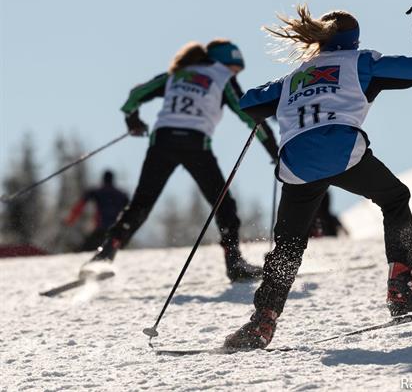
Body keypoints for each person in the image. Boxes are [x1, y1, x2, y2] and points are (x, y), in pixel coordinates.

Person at [224, 3, 412, 349]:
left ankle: (263, 320)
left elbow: (249, 103)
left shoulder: (294, 77)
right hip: (342, 150)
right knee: (394, 198)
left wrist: (285, 91)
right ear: (354, 41)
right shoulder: (363, 63)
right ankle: (402, 289)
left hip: (296, 161)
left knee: (289, 243)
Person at [81, 39, 279, 282]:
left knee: (141, 204)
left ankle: (105, 253)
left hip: (162, 141)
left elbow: (135, 95)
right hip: (196, 144)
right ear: (226, 63)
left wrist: (132, 119)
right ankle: (234, 262)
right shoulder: (223, 77)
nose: (235, 74)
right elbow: (250, 117)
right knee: (223, 204)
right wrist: (274, 152)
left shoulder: (176, 74)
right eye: (235, 69)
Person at [64, 170, 129, 252]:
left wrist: (70, 220)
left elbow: (81, 204)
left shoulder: (97, 192)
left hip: (100, 230)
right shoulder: (122, 195)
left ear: (103, 179)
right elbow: (128, 211)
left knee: (83, 251)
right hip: (116, 231)